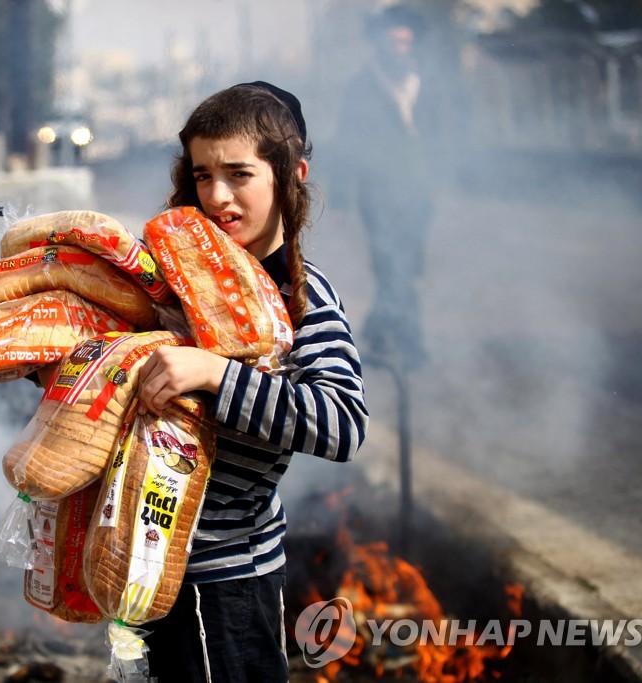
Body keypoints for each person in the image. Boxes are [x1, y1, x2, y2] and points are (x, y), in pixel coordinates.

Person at [135, 82, 369, 682]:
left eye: (239, 174)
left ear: (290, 175)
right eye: (202, 174)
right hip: (146, 570)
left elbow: (342, 424)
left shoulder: (302, 295)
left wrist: (215, 373)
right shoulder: (174, 282)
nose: (218, 197)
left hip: (223, 581)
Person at [330, 5, 437, 370]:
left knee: (405, 269)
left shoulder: (423, 82)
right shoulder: (361, 87)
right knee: (394, 269)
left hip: (419, 195)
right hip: (378, 197)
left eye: (407, 40)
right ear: (380, 43)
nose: (401, 47)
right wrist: (342, 199)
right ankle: (413, 347)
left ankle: (374, 335)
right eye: (394, 40)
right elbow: (345, 146)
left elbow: (441, 136)